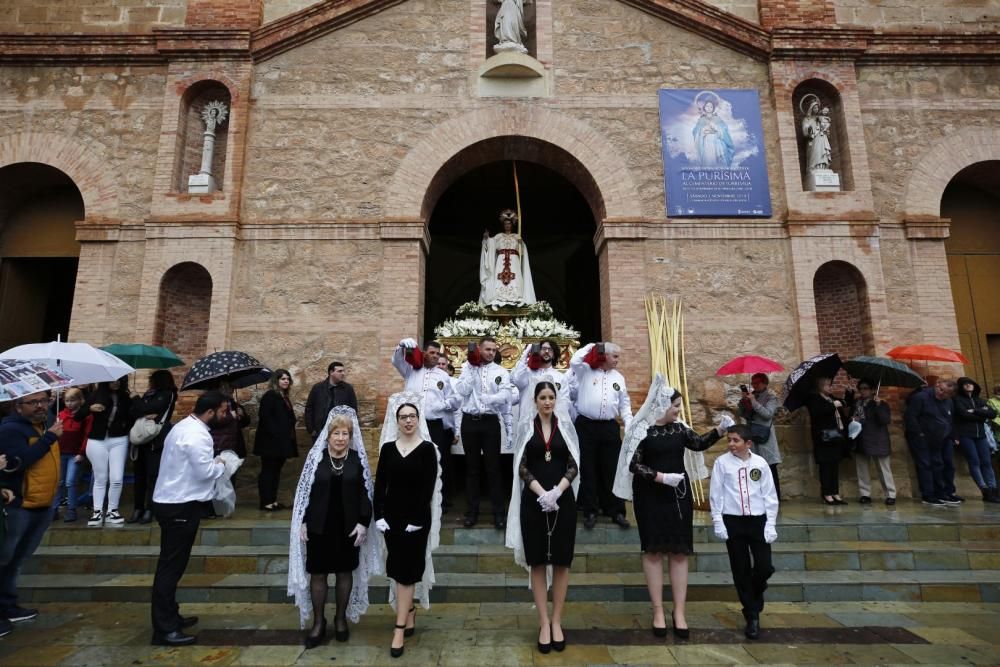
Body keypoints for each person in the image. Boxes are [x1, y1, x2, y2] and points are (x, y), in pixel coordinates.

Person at [612, 375, 724, 639]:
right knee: (652, 552)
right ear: (662, 404)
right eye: (675, 406)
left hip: (677, 498)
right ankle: (658, 611)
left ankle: (680, 612)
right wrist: (661, 477)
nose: (678, 410)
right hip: (650, 497)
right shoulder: (642, 430)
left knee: (679, 552)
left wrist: (719, 431)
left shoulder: (679, 429)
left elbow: (698, 444)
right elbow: (634, 464)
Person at [288, 406, 379, 648]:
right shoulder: (316, 460)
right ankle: (318, 622)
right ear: (327, 436)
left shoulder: (357, 461)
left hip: (347, 528)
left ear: (351, 436)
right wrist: (303, 521)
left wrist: (362, 523)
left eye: (345, 434)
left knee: (344, 572)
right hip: (319, 527)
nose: (340, 438)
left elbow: (365, 495)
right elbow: (305, 494)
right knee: (318, 574)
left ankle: (340, 619)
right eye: (336, 434)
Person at [149, 391, 229, 646]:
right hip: (180, 504)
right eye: (223, 411)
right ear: (211, 411)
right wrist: (221, 464)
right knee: (170, 568)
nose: (225, 415)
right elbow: (205, 472)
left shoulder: (184, 425)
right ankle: (164, 629)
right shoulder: (197, 434)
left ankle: (171, 615)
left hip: (171, 500)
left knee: (172, 565)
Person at [505, 379, 579, 654]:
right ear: (534, 401)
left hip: (562, 501)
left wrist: (557, 492)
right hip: (533, 502)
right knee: (537, 561)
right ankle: (543, 622)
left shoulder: (565, 426)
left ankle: (557, 620)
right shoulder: (526, 427)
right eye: (542, 398)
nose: (547, 402)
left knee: (561, 561)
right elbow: (521, 466)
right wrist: (540, 493)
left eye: (551, 397)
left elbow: (574, 463)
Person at [373, 393, 441, 659]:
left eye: (412, 416)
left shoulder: (427, 449)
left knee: (407, 572)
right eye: (403, 417)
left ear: (418, 419)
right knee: (397, 569)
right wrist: (379, 515)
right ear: (397, 421)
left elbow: (428, 488)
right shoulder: (388, 449)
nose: (408, 421)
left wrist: (417, 520)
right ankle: (409, 611)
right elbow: (380, 485)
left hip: (416, 521)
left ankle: (399, 628)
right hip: (391, 518)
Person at [0, 391, 62, 631]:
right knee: (5, 559)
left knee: (18, 559)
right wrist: (49, 439)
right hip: (20, 505)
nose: (40, 406)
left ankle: (8, 605)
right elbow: (16, 463)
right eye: (33, 402)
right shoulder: (11, 430)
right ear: (18, 406)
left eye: (44, 401)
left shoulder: (43, 426)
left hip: (42, 503)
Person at [710, 424, 778, 641]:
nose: (731, 444)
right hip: (734, 521)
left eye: (736, 440)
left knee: (764, 567)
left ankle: (756, 591)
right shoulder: (722, 463)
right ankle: (752, 615)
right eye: (729, 440)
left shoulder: (760, 464)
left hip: (758, 521)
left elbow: (769, 495)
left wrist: (770, 524)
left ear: (748, 444)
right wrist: (718, 521)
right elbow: (716, 494)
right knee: (740, 570)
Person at [392, 339, 460, 511]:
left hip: (435, 424)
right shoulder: (410, 370)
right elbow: (397, 360)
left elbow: (453, 400)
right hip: (413, 425)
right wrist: (400, 346)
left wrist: (442, 405)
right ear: (424, 353)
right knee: (413, 460)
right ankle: (413, 498)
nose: (435, 356)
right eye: (432, 353)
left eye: (437, 354)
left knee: (436, 462)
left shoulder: (443, 376)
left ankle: (438, 501)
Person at [454, 336, 515, 529]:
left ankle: (499, 513)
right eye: (487, 349)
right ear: (479, 349)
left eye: (493, 350)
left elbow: (506, 395)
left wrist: (490, 399)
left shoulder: (500, 371)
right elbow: (462, 391)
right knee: (472, 468)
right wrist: (471, 370)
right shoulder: (466, 367)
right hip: (469, 421)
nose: (491, 353)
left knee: (493, 467)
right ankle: (472, 512)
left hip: (490, 422)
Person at [571, 342, 632, 530]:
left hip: (609, 427)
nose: (617, 360)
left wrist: (629, 424)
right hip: (586, 425)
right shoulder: (585, 371)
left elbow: (624, 404)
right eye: (614, 356)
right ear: (604, 355)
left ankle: (615, 511)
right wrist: (591, 347)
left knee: (611, 469)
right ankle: (590, 510)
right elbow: (574, 360)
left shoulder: (619, 378)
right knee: (587, 469)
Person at [128, 370, 178, 525]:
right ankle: (138, 508)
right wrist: (143, 409)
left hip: (156, 441)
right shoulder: (149, 395)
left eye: (152, 379)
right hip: (143, 441)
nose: (149, 382)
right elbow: (135, 411)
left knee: (152, 476)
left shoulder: (167, 394)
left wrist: (137, 400)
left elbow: (143, 409)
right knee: (139, 476)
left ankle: (150, 509)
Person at [905, 379, 961, 506]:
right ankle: (928, 494)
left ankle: (942, 493)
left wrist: (952, 435)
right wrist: (919, 433)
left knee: (939, 464)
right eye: (940, 389)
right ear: (937, 384)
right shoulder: (921, 397)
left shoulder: (949, 402)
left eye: (945, 393)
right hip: (921, 438)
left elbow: (950, 419)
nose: (941, 393)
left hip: (940, 439)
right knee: (925, 465)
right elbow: (911, 416)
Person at [85, 379, 133, 527]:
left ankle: (113, 510)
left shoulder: (125, 397)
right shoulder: (95, 395)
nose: (116, 383)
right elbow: (78, 415)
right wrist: (90, 408)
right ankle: (97, 511)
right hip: (97, 440)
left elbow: (133, 415)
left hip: (119, 438)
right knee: (100, 478)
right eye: (113, 380)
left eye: (119, 380)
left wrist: (136, 399)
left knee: (117, 478)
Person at [255, 369, 299, 511]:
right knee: (268, 471)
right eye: (282, 379)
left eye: (287, 379)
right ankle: (266, 502)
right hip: (270, 443)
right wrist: (278, 436)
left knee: (275, 471)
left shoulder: (283, 396)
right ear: (276, 381)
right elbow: (266, 418)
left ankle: (272, 500)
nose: (286, 381)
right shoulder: (270, 396)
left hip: (281, 442)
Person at [802, 377, 849, 505]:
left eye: (830, 385)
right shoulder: (814, 399)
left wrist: (848, 395)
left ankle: (835, 493)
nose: (830, 387)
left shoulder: (831, 398)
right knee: (826, 467)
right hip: (823, 438)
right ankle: (827, 494)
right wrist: (832, 406)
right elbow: (817, 413)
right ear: (821, 387)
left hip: (835, 437)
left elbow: (844, 405)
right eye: (828, 385)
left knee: (834, 466)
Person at [848, 379, 897, 506]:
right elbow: (851, 417)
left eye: (866, 388)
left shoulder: (881, 404)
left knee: (883, 469)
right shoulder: (857, 403)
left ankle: (890, 494)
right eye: (861, 388)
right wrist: (853, 419)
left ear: (872, 390)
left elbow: (885, 420)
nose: (863, 391)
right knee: (862, 469)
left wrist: (879, 406)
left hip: (877, 439)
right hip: (861, 438)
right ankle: (865, 494)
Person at [952, 377, 999, 503]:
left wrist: (974, 411)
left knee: (986, 462)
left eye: (970, 383)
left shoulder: (979, 400)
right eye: (965, 384)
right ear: (961, 387)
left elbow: (992, 414)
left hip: (981, 436)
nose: (968, 386)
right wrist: (981, 415)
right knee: (974, 461)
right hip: (966, 435)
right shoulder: (957, 400)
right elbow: (963, 414)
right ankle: (984, 490)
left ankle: (993, 489)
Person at [737, 373, 782, 500]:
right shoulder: (752, 396)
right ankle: (757, 497)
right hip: (752, 436)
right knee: (754, 468)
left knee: (770, 468)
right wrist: (743, 402)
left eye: (757, 382)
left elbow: (767, 414)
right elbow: (743, 415)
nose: (755, 385)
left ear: (765, 383)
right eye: (753, 382)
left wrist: (753, 402)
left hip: (765, 438)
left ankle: (774, 498)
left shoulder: (771, 398)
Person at [479, 209, 536, 307]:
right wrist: (486, 239)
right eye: (505, 224)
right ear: (503, 225)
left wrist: (521, 243)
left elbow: (522, 253)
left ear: (512, 225)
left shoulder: (516, 236)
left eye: (509, 224)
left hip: (514, 262)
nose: (507, 225)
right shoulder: (499, 237)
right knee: (499, 279)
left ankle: (516, 297)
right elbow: (490, 245)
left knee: (515, 279)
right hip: (501, 261)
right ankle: (499, 297)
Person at [56, 388, 92, 523]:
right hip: (60, 452)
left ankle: (71, 509)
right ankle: (54, 508)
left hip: (74, 454)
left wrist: (81, 452)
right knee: (59, 482)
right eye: (67, 401)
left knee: (70, 482)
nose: (69, 403)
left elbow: (86, 436)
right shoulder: (61, 415)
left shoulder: (85, 416)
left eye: (72, 400)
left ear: (80, 400)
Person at [510, 340, 566, 421]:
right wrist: (525, 354)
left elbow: (564, 402)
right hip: (528, 422)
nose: (546, 351)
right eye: (543, 349)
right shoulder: (526, 373)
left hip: (551, 423)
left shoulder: (560, 377)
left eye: (550, 350)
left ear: (554, 355)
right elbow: (517, 380)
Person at [304, 362, 359, 440]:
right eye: (339, 371)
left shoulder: (348, 389)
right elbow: (309, 409)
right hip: (320, 431)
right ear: (331, 372)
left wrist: (348, 430)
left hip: (340, 433)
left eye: (343, 371)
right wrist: (311, 430)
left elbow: (353, 410)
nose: (343, 373)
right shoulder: (318, 388)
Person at [209, 384, 250, 458]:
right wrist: (231, 417)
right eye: (228, 388)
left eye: (231, 388)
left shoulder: (235, 405)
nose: (232, 390)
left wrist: (242, 415)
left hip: (235, 443)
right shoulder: (213, 405)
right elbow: (213, 423)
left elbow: (245, 423)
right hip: (222, 444)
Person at [692, 97, 734, 168]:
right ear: (704, 107)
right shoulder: (701, 120)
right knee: (708, 160)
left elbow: (724, 129)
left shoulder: (717, 119)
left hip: (716, 142)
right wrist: (703, 130)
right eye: (707, 106)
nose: (709, 108)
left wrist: (716, 127)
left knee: (718, 161)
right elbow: (695, 131)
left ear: (713, 108)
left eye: (711, 106)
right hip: (706, 142)